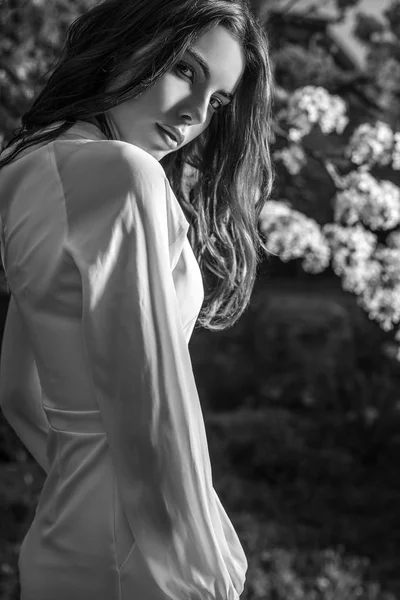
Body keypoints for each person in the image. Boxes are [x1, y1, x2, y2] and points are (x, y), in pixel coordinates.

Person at [0, 0, 274, 598]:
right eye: (186, 70)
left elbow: (18, 393)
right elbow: (149, 401)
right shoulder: (126, 175)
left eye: (219, 100)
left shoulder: (31, 166)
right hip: (143, 560)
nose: (196, 114)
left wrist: (87, 482)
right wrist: (202, 569)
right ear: (127, 43)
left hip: (69, 540)